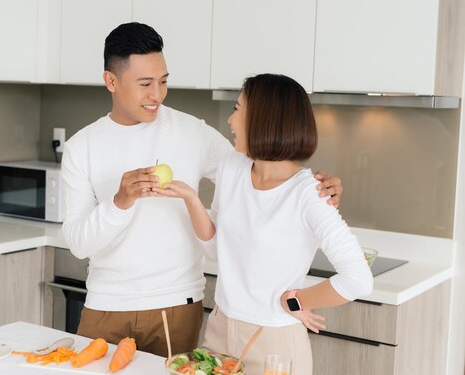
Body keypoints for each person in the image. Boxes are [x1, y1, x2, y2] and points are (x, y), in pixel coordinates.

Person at [60, 22, 343, 357]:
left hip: (177, 306)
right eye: (145, 84)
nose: (157, 94)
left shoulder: (192, 132)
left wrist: (312, 186)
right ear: (111, 81)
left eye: (163, 81)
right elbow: (78, 243)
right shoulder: (82, 148)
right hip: (105, 306)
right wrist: (120, 202)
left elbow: (261, 174)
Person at [156, 73, 373, 374]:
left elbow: (358, 278)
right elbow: (217, 250)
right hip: (219, 330)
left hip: (274, 343)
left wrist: (296, 301)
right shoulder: (231, 166)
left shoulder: (309, 193)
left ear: (263, 119)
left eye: (237, 108)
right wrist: (192, 200)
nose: (230, 120)